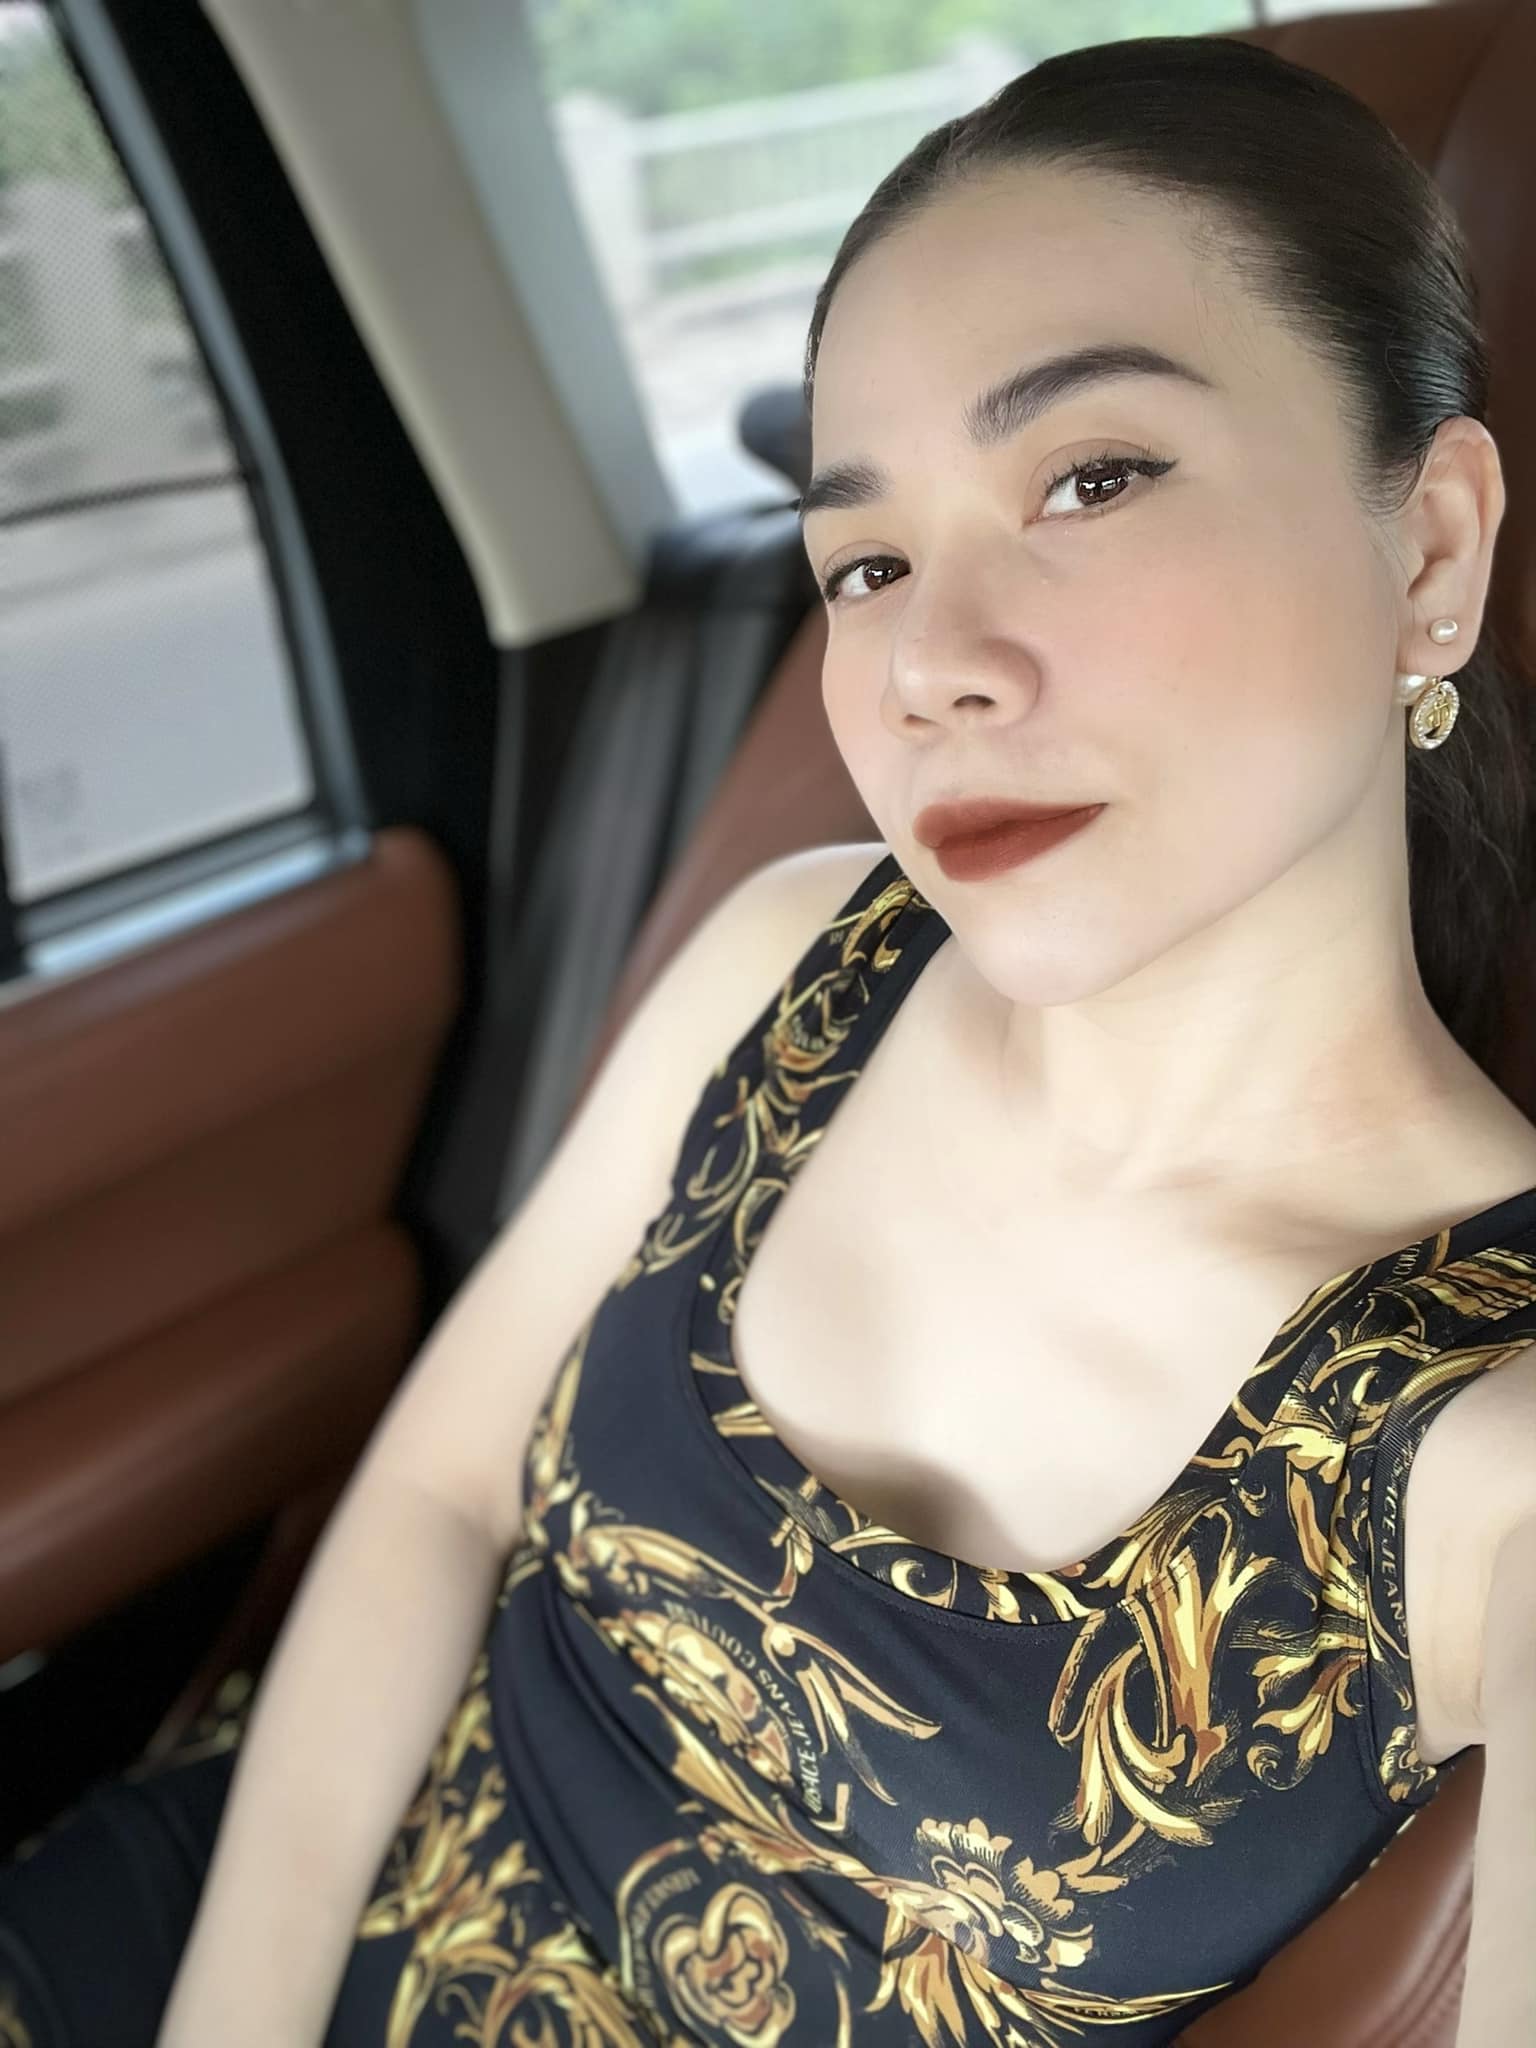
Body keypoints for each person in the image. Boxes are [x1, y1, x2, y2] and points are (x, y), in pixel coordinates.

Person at [4, 29, 1536, 2048]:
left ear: (1430, 551)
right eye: (867, 562)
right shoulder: (799, 956)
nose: (927, 664)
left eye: (1091, 479)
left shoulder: (1494, 1447)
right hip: (234, 1921)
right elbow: (445, 1495)